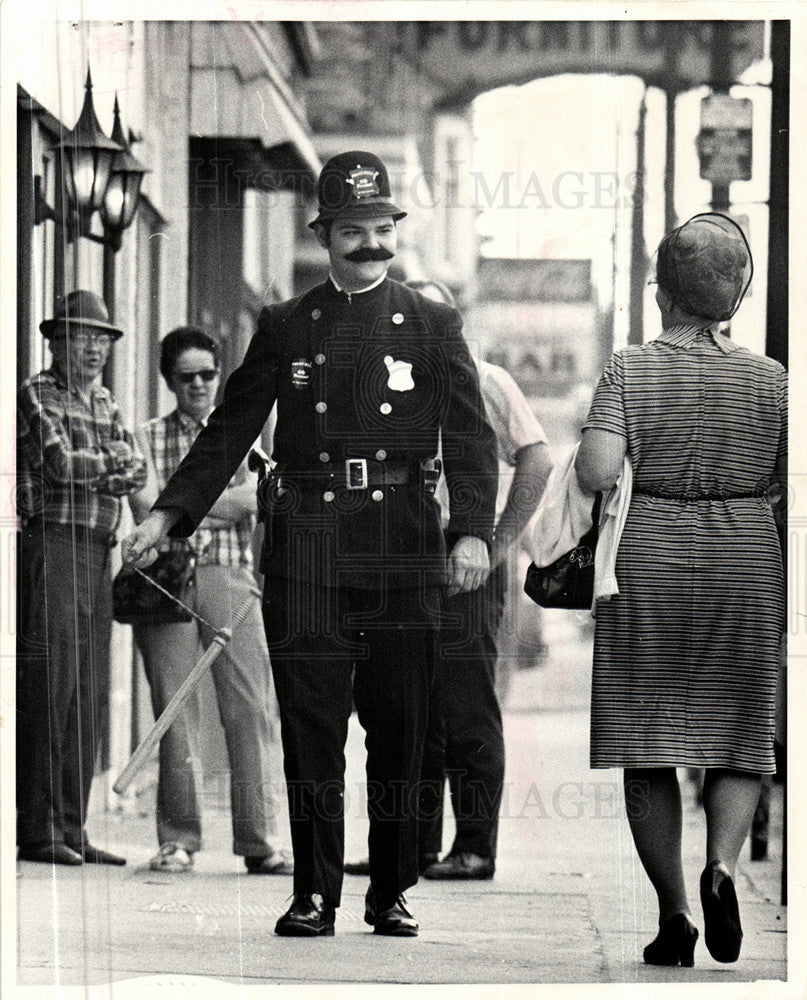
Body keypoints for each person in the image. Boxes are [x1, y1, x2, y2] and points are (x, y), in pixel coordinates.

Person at [122, 151, 498, 937]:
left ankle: (390, 888)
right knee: (310, 726)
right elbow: (226, 431)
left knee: (402, 727)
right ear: (323, 234)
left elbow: (467, 435)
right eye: (352, 230)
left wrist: (470, 533)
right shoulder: (286, 325)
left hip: (401, 545)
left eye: (381, 229)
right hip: (311, 547)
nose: (370, 244)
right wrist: (168, 516)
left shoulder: (431, 324)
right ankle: (314, 892)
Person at [575, 214, 786, 967]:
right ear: (735, 293)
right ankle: (723, 867)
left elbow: (596, 473)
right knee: (740, 731)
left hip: (650, 558)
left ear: (660, 287)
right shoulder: (773, 380)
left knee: (647, 742)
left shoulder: (630, 369)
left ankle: (674, 915)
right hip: (744, 557)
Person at [342, 279, 554, 880]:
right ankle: (410, 844)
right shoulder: (382, 381)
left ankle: (476, 845)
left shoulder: (486, 381)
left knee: (465, 702)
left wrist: (498, 539)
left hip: (466, 554)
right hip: (400, 554)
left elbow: (535, 458)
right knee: (403, 702)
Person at [128, 327, 292, 876]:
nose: (197, 384)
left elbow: (258, 499)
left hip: (229, 576)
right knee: (175, 709)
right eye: (185, 376)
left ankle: (260, 839)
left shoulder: (242, 441)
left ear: (219, 376)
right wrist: (222, 502)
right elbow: (148, 504)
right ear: (168, 380)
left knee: (249, 709)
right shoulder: (146, 436)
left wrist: (187, 499)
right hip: (168, 581)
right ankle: (178, 839)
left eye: (207, 374)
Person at [17, 290, 147, 866]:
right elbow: (58, 462)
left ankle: (73, 827)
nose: (94, 349)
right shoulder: (36, 393)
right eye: (81, 337)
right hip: (55, 543)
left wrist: (110, 466)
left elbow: (136, 467)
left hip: (98, 547)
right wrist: (110, 465)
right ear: (55, 342)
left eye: (101, 339)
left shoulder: (105, 401)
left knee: (90, 692)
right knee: (53, 684)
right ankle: (39, 828)